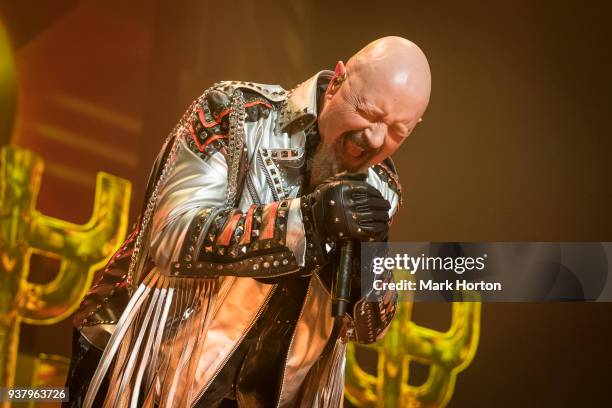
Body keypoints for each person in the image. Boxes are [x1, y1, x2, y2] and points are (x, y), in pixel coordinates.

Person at [64, 36, 431, 408]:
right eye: (367, 112)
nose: (374, 138)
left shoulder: (382, 186)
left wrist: (367, 277)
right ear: (337, 83)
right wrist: (306, 222)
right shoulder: (236, 110)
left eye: (397, 131)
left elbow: (368, 329)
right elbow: (170, 235)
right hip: (146, 372)